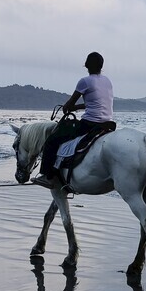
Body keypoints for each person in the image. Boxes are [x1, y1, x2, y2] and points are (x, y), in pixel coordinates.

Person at [33, 51, 114, 189]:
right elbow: (95, 102)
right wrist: (79, 106)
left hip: (90, 123)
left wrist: (69, 108)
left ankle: (47, 176)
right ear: (101, 66)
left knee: (52, 140)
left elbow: (68, 105)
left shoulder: (85, 81)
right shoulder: (107, 81)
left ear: (87, 66)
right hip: (108, 123)